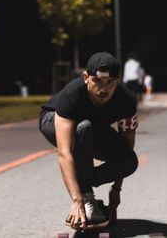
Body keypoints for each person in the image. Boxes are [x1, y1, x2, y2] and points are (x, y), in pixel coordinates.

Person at [39, 52, 139, 230]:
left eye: (110, 83)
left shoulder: (127, 101)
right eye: (98, 81)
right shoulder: (71, 95)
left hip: (93, 127)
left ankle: (85, 182)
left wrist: (117, 188)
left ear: (118, 81)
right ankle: (86, 196)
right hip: (53, 120)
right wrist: (77, 200)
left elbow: (126, 148)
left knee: (129, 160)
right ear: (86, 77)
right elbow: (64, 153)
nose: (104, 89)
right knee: (83, 128)